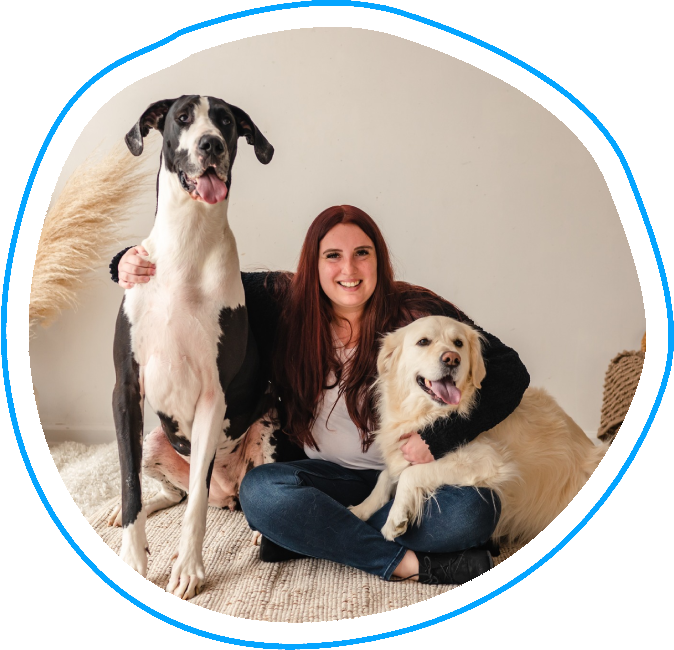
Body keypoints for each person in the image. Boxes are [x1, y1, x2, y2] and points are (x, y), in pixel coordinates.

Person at [111, 205, 530, 584]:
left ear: (379, 261)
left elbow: (510, 370)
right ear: (314, 263)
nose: (349, 268)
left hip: (408, 479)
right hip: (324, 477)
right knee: (261, 495)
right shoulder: (281, 300)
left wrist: (436, 441)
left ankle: (310, 536)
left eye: (362, 253)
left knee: (475, 513)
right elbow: (198, 274)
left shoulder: (414, 311)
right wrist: (127, 260)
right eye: (333, 256)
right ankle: (415, 565)